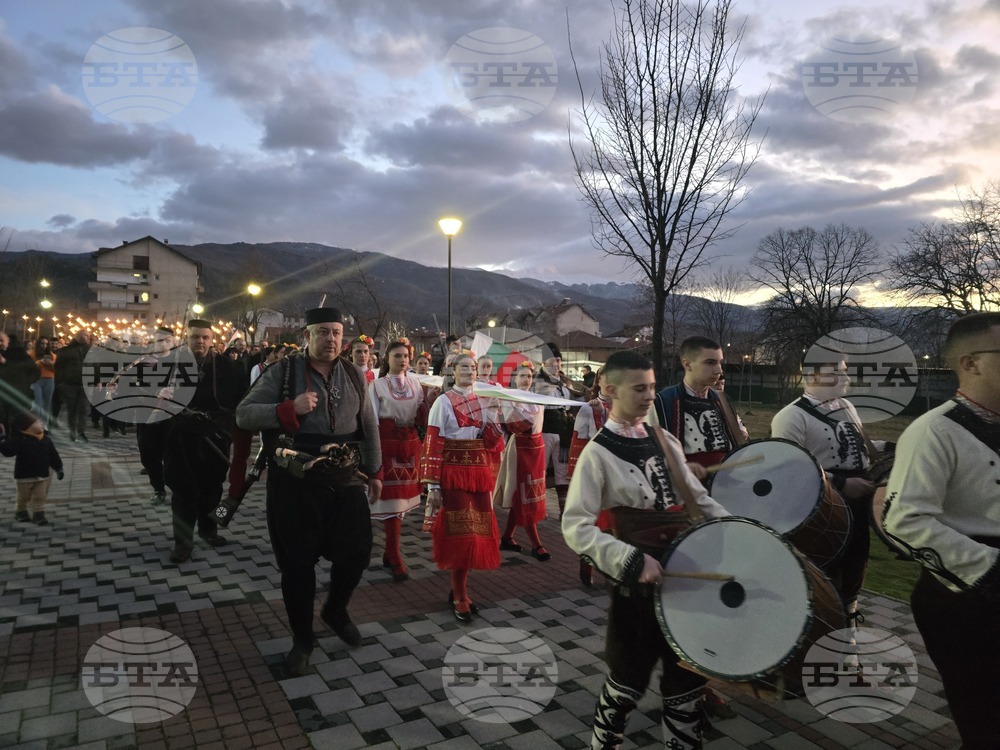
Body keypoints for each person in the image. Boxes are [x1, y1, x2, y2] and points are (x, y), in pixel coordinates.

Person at [562, 351, 729, 750]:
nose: (649, 396)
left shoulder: (664, 439)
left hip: (686, 576)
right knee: (627, 680)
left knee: (686, 680)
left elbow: (700, 501)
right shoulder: (597, 453)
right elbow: (575, 526)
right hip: (635, 585)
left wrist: (736, 534)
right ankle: (603, 743)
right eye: (639, 388)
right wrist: (629, 560)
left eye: (653, 387)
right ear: (609, 389)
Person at [236, 307, 382, 676]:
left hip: (345, 477)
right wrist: (288, 408)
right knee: (297, 566)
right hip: (295, 480)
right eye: (322, 332)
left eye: (335, 332)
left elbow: (368, 423)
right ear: (307, 335)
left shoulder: (353, 373)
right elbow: (243, 414)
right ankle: (303, 640)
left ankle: (335, 610)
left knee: (357, 554)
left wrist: (375, 470)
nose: (330, 339)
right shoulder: (282, 372)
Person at [882, 312, 1000, 749]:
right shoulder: (933, 432)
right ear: (970, 363)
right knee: (986, 721)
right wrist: (989, 571)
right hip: (966, 601)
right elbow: (904, 520)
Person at [771, 357, 879, 618]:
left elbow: (857, 446)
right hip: (821, 510)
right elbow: (790, 467)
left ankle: (849, 635)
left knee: (854, 571)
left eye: (845, 373)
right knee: (824, 577)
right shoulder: (790, 416)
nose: (847, 379)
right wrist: (840, 483)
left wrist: (888, 449)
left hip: (858, 506)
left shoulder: (847, 406)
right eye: (838, 373)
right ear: (811, 377)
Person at [420, 351, 504, 623]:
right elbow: (433, 443)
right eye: (464, 367)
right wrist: (433, 485)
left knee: (477, 531)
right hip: (453, 474)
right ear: (452, 372)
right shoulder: (442, 403)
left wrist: (493, 413)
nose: (469, 371)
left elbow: (492, 442)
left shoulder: (481, 401)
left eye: (473, 367)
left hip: (477, 473)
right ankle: (459, 594)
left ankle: (460, 591)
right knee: (461, 533)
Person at [162, 320, 246, 565]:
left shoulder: (229, 367)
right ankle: (183, 542)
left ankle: (209, 530)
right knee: (183, 492)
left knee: (214, 487)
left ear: (212, 339)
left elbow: (241, 400)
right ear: (186, 338)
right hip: (180, 438)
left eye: (205, 337)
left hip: (216, 436)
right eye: (195, 337)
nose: (200, 341)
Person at [369, 339, 426, 582]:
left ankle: (390, 551)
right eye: (397, 356)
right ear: (387, 358)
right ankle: (393, 554)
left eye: (405, 356)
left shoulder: (415, 383)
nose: (402, 360)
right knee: (390, 502)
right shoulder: (377, 385)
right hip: (387, 444)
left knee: (402, 501)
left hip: (410, 445)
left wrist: (433, 398)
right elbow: (371, 419)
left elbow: (422, 415)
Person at [652, 336, 746, 481]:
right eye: (710, 363)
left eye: (720, 363)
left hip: (726, 486)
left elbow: (739, 440)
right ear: (687, 364)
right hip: (685, 490)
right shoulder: (663, 401)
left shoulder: (722, 400)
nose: (719, 371)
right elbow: (649, 455)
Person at [495, 360, 550, 561]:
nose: (526, 379)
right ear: (514, 379)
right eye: (522, 376)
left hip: (537, 448)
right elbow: (513, 426)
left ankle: (508, 537)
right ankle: (536, 544)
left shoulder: (536, 397)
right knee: (524, 494)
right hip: (520, 448)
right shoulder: (510, 398)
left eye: (529, 376)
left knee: (529, 493)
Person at [568, 365, 611, 587]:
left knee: (615, 522)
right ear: (599, 381)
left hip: (618, 472)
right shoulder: (589, 408)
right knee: (595, 521)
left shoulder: (626, 407)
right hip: (595, 471)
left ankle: (612, 569)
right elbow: (579, 440)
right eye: (607, 378)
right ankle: (588, 561)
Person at [531, 342, 580, 519]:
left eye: (558, 361)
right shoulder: (537, 380)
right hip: (545, 429)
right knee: (540, 470)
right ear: (544, 362)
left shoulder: (565, 382)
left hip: (564, 431)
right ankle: (538, 509)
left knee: (562, 472)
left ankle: (564, 510)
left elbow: (576, 398)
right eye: (552, 361)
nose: (556, 365)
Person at [134, 327, 176, 505]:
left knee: (172, 455)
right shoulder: (144, 362)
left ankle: (175, 485)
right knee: (149, 454)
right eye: (160, 340)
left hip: (171, 416)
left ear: (173, 342)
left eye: (167, 340)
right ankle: (158, 488)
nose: (164, 344)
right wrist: (157, 391)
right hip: (147, 413)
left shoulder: (180, 362)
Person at [0, 411, 64, 525]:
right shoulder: (20, 440)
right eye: (37, 422)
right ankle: (21, 511)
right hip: (24, 476)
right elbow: (8, 451)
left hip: (42, 475)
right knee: (23, 497)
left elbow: (53, 455)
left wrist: (59, 468)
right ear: (26, 427)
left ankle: (38, 514)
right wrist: (2, 439)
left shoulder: (46, 440)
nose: (41, 423)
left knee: (40, 496)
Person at [53, 330, 92, 442]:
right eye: (86, 335)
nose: (88, 338)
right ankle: (72, 432)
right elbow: (58, 367)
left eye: (89, 336)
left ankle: (81, 432)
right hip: (70, 384)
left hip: (85, 384)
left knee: (83, 409)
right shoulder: (66, 350)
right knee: (72, 410)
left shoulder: (89, 349)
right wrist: (60, 383)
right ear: (79, 336)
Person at [0, 333, 38, 431]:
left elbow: (33, 372)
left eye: (1, 341)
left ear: (8, 341)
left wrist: (6, 362)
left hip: (18, 394)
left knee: (16, 422)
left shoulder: (18, 354)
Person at [30, 337, 57, 428]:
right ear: (38, 344)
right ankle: (36, 423)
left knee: (47, 403)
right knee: (38, 402)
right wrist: (40, 362)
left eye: (46, 344)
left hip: (49, 380)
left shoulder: (52, 355)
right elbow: (30, 367)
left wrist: (51, 364)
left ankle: (44, 424)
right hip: (36, 380)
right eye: (42, 343)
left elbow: (56, 370)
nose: (44, 346)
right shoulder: (32, 354)